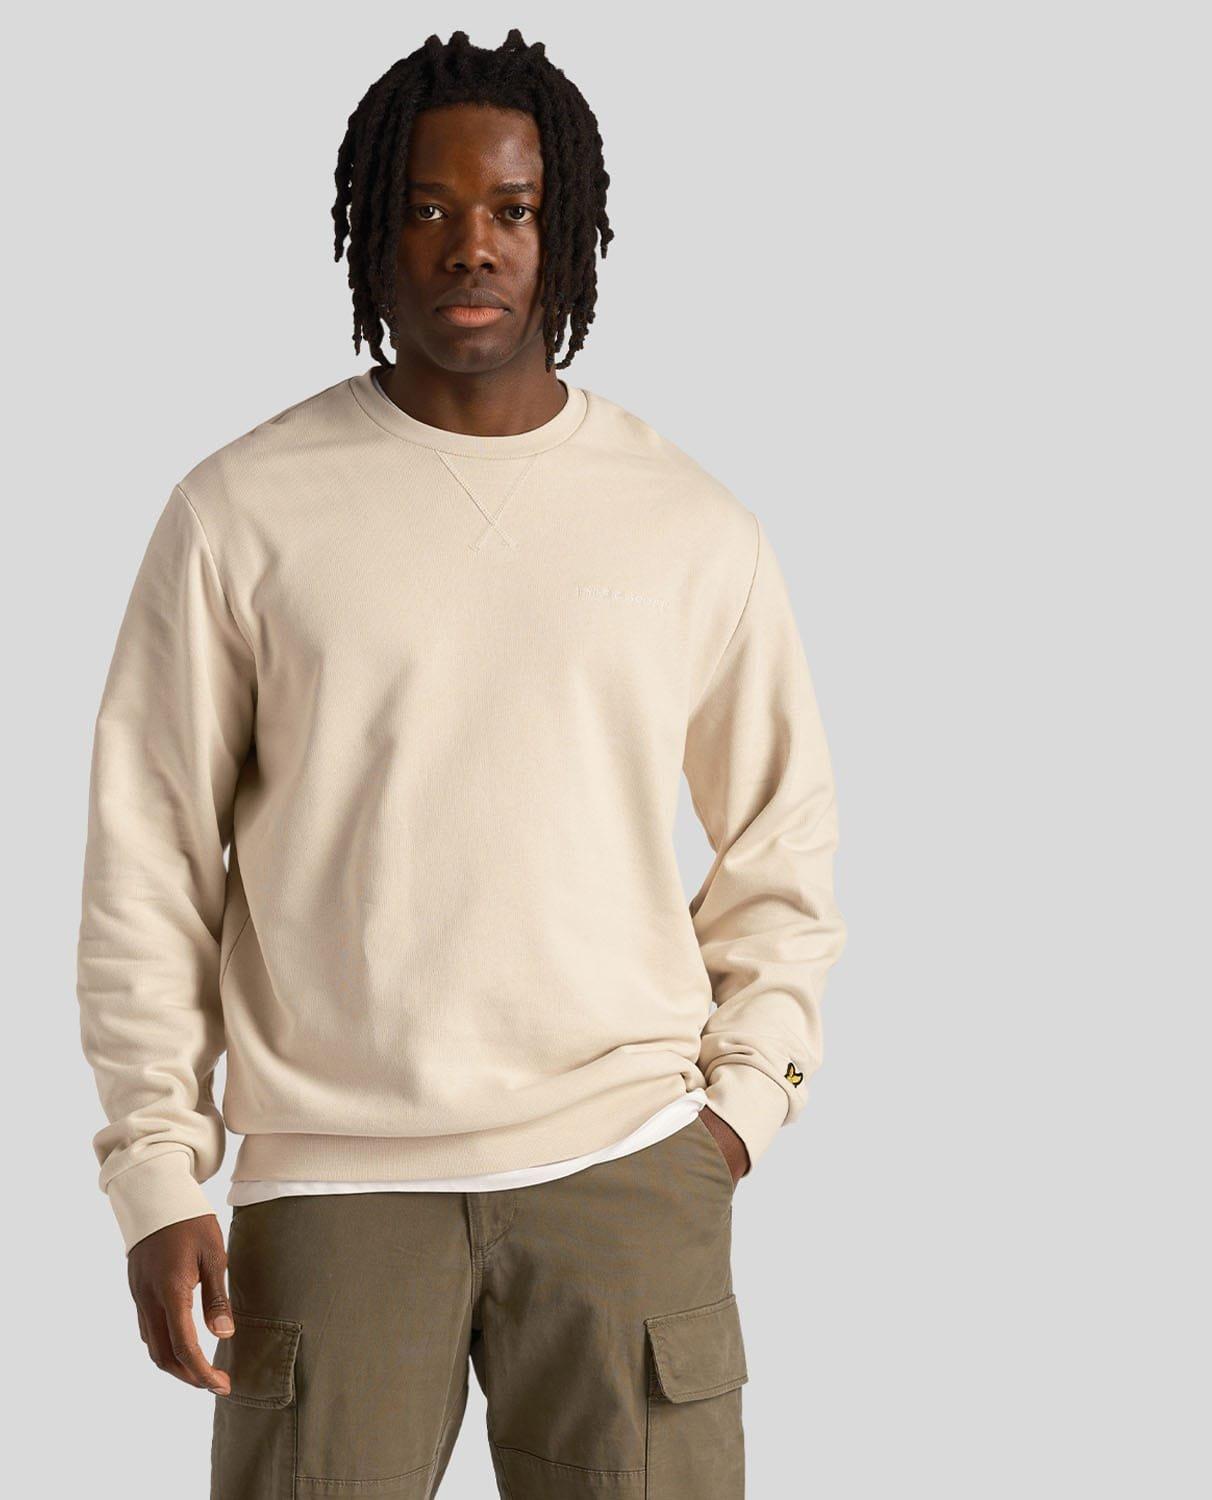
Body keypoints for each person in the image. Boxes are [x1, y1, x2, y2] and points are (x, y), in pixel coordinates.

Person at [75, 28, 846, 1498]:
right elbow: (149, 859)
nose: (470, 245)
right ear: (372, 228)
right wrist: (157, 1171)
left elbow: (781, 845)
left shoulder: (690, 526)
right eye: (426, 207)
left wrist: (739, 1112)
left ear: (568, 231)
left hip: (627, 1161)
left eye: (512, 208)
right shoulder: (242, 512)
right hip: (334, 1181)